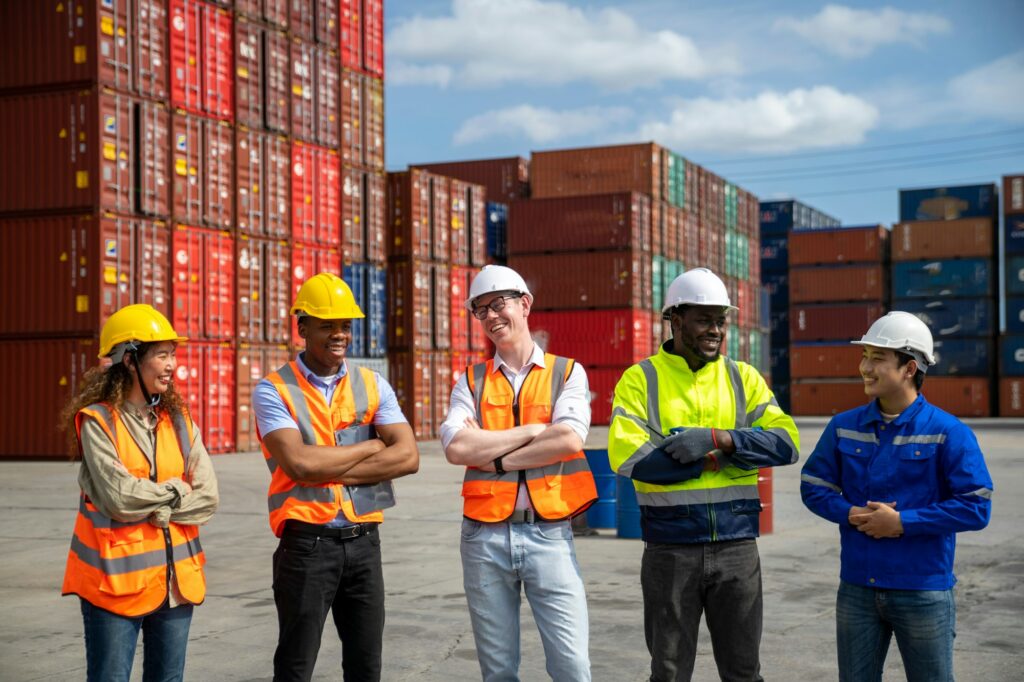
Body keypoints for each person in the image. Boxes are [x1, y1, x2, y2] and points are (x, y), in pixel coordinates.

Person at [608, 267, 800, 682]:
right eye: (704, 320)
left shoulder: (743, 378)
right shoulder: (641, 380)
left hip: (738, 547)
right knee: (669, 672)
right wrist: (723, 459)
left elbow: (786, 444)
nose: (715, 330)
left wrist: (719, 440)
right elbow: (633, 461)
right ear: (675, 320)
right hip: (670, 550)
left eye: (721, 321)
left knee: (744, 672)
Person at [800, 311, 993, 682]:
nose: (865, 367)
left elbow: (976, 506)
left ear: (909, 368)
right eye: (864, 356)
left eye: (877, 358)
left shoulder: (948, 431)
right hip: (858, 586)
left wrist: (903, 523)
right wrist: (851, 512)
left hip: (922, 589)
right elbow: (813, 485)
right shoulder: (843, 427)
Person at [253, 272, 419, 682]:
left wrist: (328, 466)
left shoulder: (372, 383)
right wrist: (370, 446)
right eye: (327, 325)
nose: (339, 334)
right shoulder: (273, 390)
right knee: (295, 667)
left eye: (345, 325)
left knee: (366, 666)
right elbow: (299, 465)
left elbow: (408, 456)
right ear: (302, 328)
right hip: (306, 546)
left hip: (365, 544)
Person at [440, 265, 597, 681]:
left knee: (572, 666)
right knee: (497, 671)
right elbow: (457, 448)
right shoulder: (470, 381)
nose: (491, 316)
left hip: (549, 533)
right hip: (483, 538)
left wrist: (495, 458)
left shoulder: (567, 372)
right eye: (481, 310)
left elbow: (569, 439)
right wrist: (532, 431)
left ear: (524, 304)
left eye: (498, 304)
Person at [61, 304, 219, 682]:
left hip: (175, 585)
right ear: (130, 361)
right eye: (162, 355)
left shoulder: (178, 421)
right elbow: (119, 498)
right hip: (115, 585)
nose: (172, 366)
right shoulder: (98, 422)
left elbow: (208, 497)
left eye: (173, 355)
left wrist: (157, 506)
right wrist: (176, 489)